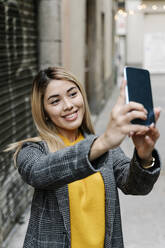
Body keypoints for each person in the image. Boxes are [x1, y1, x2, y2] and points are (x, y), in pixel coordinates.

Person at [6, 67, 161, 248]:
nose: (68, 105)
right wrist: (103, 143)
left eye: (72, 94)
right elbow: (39, 172)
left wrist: (144, 155)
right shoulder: (32, 150)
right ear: (44, 112)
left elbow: (135, 185)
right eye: (55, 101)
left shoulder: (105, 147)